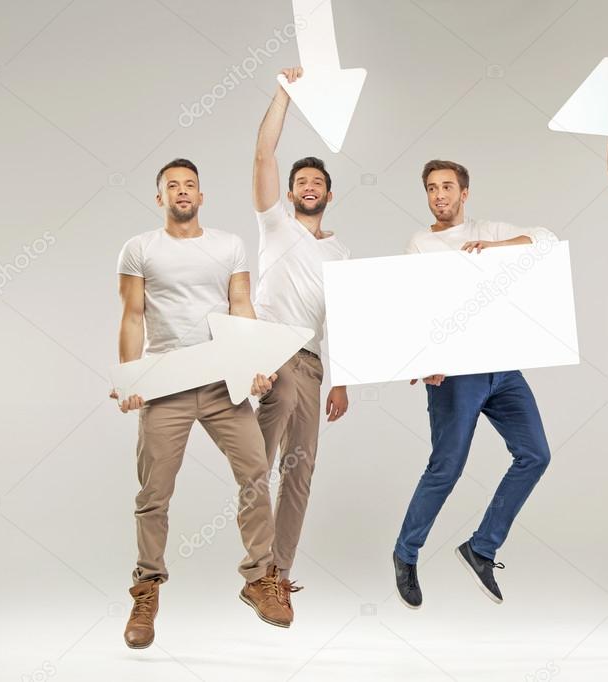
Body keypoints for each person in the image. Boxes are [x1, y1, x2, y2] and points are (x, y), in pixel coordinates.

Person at [112, 158, 291, 648]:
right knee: (154, 493)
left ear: (201, 195)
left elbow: (241, 308)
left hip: (221, 381)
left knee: (255, 471)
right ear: (160, 198)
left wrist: (256, 361)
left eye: (190, 185)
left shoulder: (228, 245)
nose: (182, 192)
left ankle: (258, 579)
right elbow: (132, 316)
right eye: (173, 186)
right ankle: (146, 590)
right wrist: (130, 377)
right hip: (166, 382)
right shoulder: (139, 249)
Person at [392, 159, 555, 608]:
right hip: (454, 371)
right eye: (431, 188)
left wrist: (501, 245)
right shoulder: (420, 244)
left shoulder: (490, 227)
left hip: (502, 365)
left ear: (465, 192)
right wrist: (426, 357)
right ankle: (405, 554)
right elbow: (413, 303)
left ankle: (482, 548)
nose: (439, 195)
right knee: (447, 467)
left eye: (447, 187)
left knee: (535, 454)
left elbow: (546, 239)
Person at [249, 67, 351, 625]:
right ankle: (257, 568)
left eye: (318, 183)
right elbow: (263, 155)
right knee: (259, 464)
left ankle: (278, 576)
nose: (309, 188)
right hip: (271, 354)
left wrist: (344, 378)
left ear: (328, 195)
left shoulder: (341, 254)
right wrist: (285, 93)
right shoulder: (275, 227)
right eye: (301, 182)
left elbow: (345, 322)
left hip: (312, 365)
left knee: (301, 471)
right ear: (290, 194)